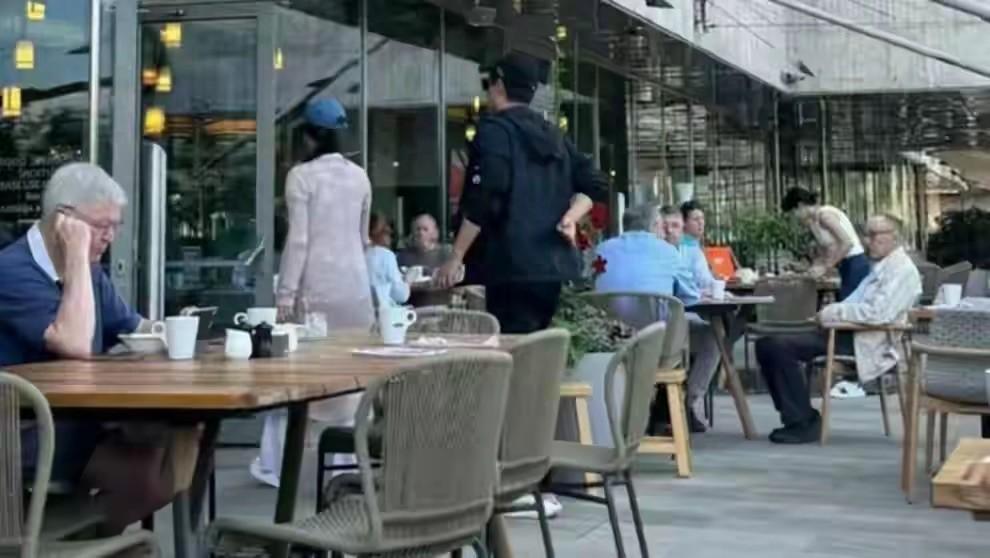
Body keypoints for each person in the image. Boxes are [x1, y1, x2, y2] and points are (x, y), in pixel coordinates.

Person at [0, 162, 186, 533]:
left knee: (180, 433)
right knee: (151, 459)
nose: (109, 237)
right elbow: (74, 343)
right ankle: (71, 540)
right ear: (63, 220)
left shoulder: (90, 272)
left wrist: (178, 329)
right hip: (24, 437)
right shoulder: (11, 270)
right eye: (101, 226)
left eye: (116, 226)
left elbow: (133, 326)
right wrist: (77, 257)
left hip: (76, 422)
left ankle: (84, 538)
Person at [435, 52, 606, 333]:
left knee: (509, 347)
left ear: (499, 85)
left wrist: (456, 256)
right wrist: (570, 218)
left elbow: (485, 198)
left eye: (488, 82)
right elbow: (595, 184)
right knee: (534, 346)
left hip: (507, 266)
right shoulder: (553, 134)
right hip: (551, 268)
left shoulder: (495, 132)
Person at [256, 98, 374, 487]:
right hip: (356, 290)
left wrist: (285, 294)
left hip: (316, 291)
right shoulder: (360, 177)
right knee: (352, 377)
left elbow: (300, 241)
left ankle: (274, 465)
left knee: (290, 375)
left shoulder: (301, 177)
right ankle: (346, 465)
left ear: (309, 136)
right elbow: (363, 239)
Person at [755, 214, 921, 444]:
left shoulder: (902, 271)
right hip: (843, 332)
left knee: (778, 347)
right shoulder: (881, 268)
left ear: (896, 237)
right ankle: (798, 417)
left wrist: (833, 312)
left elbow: (877, 314)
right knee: (765, 344)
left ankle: (803, 423)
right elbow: (854, 302)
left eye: (874, 235)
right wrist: (826, 314)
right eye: (866, 234)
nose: (867, 241)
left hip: (864, 341)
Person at [658, 205, 722, 431]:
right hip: (662, 326)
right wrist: (700, 292)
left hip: (671, 323)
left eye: (675, 226)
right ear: (656, 228)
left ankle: (688, 401)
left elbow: (704, 282)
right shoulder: (661, 254)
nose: (670, 231)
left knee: (713, 337)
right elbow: (691, 293)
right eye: (665, 226)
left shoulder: (690, 251)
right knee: (712, 337)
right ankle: (680, 404)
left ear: (682, 228)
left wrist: (706, 288)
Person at [782, 187, 871, 301]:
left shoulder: (825, 215)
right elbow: (828, 249)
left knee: (850, 303)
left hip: (855, 262)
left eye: (793, 213)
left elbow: (847, 243)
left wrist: (826, 267)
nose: (795, 217)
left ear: (800, 205)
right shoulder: (814, 222)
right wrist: (813, 268)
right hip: (844, 264)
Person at [398, 214, 453, 307]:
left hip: (441, 307)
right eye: (417, 229)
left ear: (435, 233)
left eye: (425, 229)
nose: (421, 233)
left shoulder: (446, 252)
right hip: (413, 309)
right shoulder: (403, 256)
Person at [366, 213, 410, 306]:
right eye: (387, 232)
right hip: (382, 311)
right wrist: (408, 280)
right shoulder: (386, 255)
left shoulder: (355, 255)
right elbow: (401, 295)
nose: (390, 238)